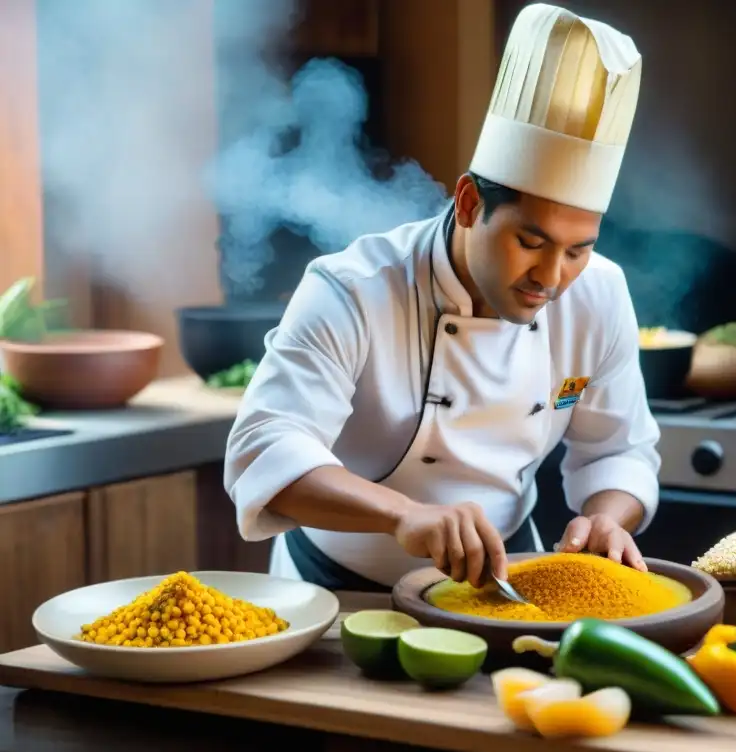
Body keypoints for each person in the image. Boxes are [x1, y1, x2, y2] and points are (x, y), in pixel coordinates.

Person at [223, 2, 661, 592]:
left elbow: (619, 451)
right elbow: (263, 450)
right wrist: (403, 515)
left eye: (577, 249)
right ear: (469, 203)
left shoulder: (599, 295)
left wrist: (607, 519)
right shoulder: (351, 290)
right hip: (338, 594)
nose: (552, 277)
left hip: (502, 584)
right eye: (530, 242)